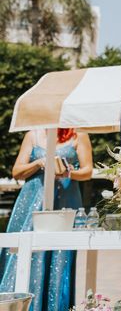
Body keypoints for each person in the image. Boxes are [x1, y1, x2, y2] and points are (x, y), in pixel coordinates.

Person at [0, 128, 93, 311]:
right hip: (31, 201)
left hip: (65, 199)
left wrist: (67, 172)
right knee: (23, 252)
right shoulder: (32, 134)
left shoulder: (78, 135)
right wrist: (39, 163)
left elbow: (87, 171)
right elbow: (17, 171)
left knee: (60, 257)